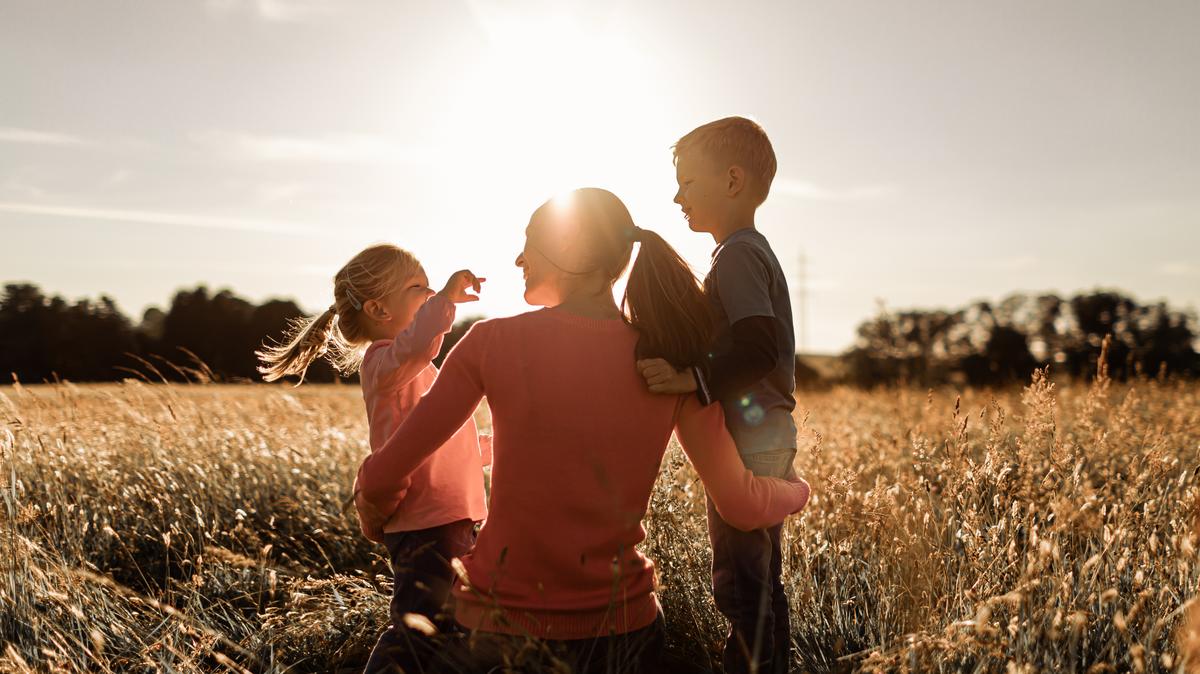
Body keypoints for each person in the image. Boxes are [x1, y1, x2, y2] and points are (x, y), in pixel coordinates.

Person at [356, 188, 810, 673]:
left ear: (568, 249)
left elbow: (385, 474)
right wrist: (796, 491)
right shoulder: (668, 364)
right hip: (625, 637)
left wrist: (372, 512)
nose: (517, 258)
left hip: (496, 635)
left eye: (528, 242)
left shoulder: (489, 343)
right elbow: (740, 506)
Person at [255, 243, 490, 674]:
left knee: (449, 626)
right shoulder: (385, 364)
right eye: (419, 288)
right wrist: (446, 302)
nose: (430, 292)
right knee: (417, 630)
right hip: (426, 523)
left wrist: (498, 446)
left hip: (448, 518)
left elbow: (445, 440)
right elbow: (419, 347)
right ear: (379, 308)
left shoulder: (409, 369)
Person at [638, 116, 798, 674]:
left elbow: (759, 346)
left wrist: (691, 379)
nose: (677, 196)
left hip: (750, 438)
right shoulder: (748, 251)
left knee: (741, 582)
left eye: (687, 182)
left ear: (732, 181)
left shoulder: (736, 257)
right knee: (761, 579)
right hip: (767, 434)